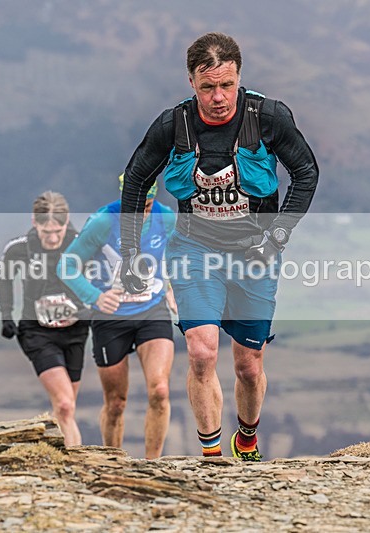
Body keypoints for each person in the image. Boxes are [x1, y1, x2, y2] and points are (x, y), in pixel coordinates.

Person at [118, 32, 319, 461]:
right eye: (207, 87)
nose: (218, 97)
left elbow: (306, 172)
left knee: (248, 366)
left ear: (238, 78)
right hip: (194, 249)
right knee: (202, 350)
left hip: (254, 252)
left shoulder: (268, 117)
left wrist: (277, 236)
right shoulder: (174, 125)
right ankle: (212, 460)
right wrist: (131, 252)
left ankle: (246, 438)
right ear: (192, 82)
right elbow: (136, 179)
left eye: (226, 85)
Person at [57, 175, 176, 459]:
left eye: (148, 204)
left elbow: (179, 254)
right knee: (116, 403)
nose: (142, 210)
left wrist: (172, 287)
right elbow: (67, 266)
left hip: (152, 310)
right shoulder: (103, 222)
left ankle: (152, 465)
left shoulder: (167, 219)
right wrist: (95, 296)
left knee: (159, 391)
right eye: (136, 204)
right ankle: (113, 463)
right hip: (111, 318)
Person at [0, 191, 90, 447]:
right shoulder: (20, 248)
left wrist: (93, 309)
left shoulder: (81, 244)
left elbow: (100, 278)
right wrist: (7, 314)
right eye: (46, 231)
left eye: (57, 231)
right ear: (35, 222)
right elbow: (3, 277)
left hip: (75, 330)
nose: (52, 238)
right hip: (37, 331)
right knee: (65, 404)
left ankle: (61, 460)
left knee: (66, 407)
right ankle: (75, 462)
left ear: (66, 221)